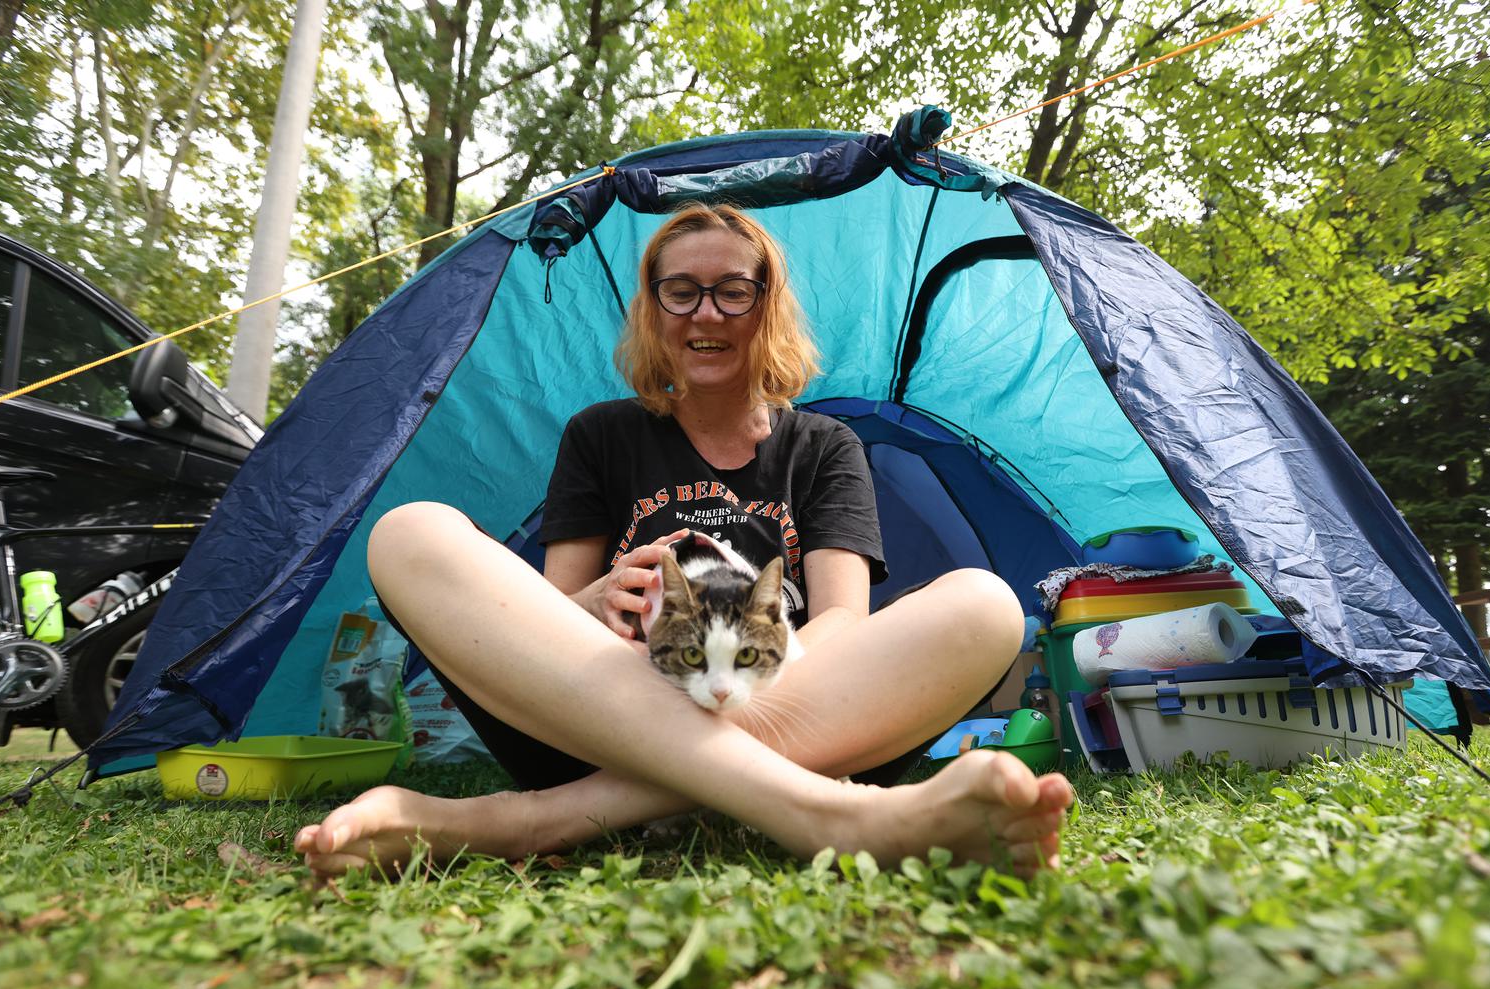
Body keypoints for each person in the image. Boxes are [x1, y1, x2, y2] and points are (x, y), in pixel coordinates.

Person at [295, 203, 1073, 877]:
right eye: (681, 291)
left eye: (733, 291)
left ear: (766, 307)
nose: (706, 314)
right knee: (410, 532)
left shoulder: (824, 446)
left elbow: (842, 619)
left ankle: (531, 821)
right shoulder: (601, 436)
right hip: (600, 718)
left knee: (983, 605)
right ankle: (827, 813)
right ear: (653, 310)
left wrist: (754, 671)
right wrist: (597, 598)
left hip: (791, 708)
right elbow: (548, 611)